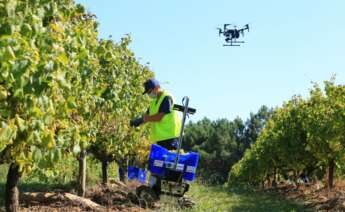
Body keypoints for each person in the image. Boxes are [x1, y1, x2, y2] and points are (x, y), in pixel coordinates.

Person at [130, 78, 182, 150]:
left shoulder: (166, 97)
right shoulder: (153, 103)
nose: (149, 94)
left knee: (168, 160)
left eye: (150, 91)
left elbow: (159, 117)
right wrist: (137, 121)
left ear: (157, 87)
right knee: (160, 161)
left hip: (171, 138)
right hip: (160, 139)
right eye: (148, 93)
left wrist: (145, 118)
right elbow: (146, 116)